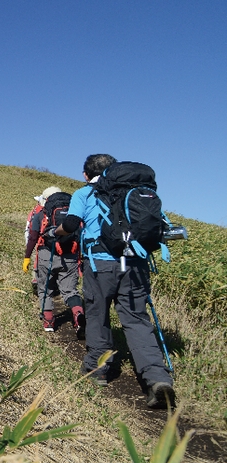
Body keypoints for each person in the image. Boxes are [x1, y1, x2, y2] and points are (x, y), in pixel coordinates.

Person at [53, 154, 175, 409]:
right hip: (136, 263)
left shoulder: (84, 193)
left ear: (86, 174)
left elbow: (72, 223)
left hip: (100, 264)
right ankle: (157, 378)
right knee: (136, 319)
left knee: (98, 314)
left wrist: (58, 232)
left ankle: (98, 368)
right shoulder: (136, 190)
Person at [24, 186, 84, 335]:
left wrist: (27, 257)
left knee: (45, 288)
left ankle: (48, 321)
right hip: (70, 254)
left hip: (47, 254)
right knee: (70, 290)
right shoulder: (74, 213)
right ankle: (78, 316)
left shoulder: (41, 214)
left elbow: (33, 237)